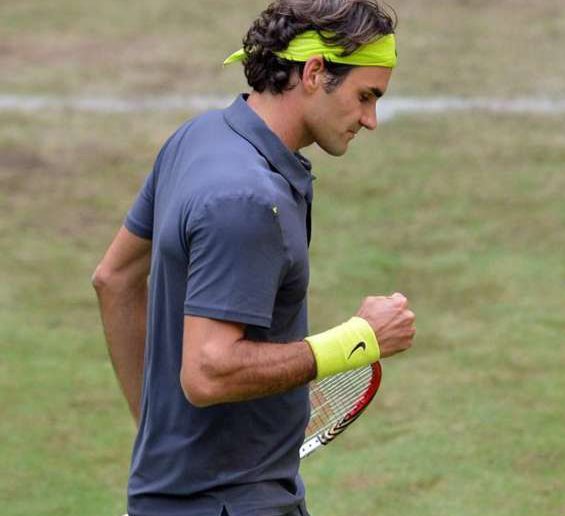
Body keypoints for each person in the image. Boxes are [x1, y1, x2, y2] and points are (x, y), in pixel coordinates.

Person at [91, 1, 414, 514]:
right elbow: (208, 371)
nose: (370, 120)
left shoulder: (197, 138)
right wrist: (357, 341)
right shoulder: (247, 199)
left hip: (182, 494)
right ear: (315, 72)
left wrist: (160, 437)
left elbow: (115, 278)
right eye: (365, 96)